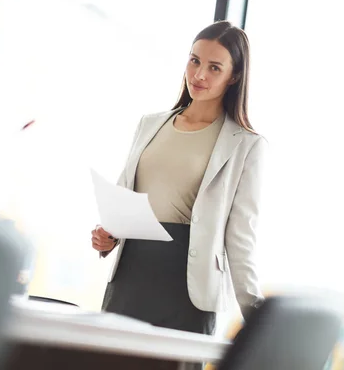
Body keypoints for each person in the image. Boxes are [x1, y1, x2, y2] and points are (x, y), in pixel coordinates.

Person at [91, 20, 267, 340]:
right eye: (195, 60)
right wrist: (108, 236)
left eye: (215, 68)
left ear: (235, 76)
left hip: (188, 292)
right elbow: (123, 200)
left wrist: (258, 319)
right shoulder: (150, 125)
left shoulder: (246, 145)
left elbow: (242, 238)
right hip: (131, 277)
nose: (199, 75)